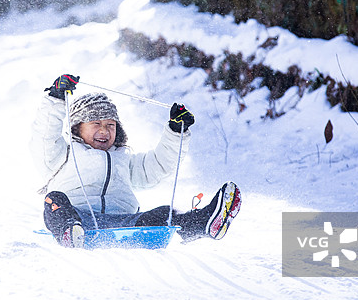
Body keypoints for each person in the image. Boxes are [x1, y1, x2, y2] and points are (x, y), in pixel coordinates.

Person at [30, 74, 241, 248]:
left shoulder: (124, 160)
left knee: (162, 214)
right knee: (54, 200)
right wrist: (56, 99)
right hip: (78, 219)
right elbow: (44, 135)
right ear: (77, 128)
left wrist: (176, 131)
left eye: (110, 125)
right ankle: (70, 235)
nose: (104, 130)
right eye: (95, 123)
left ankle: (201, 223)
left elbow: (159, 165)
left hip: (124, 223)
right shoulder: (62, 155)